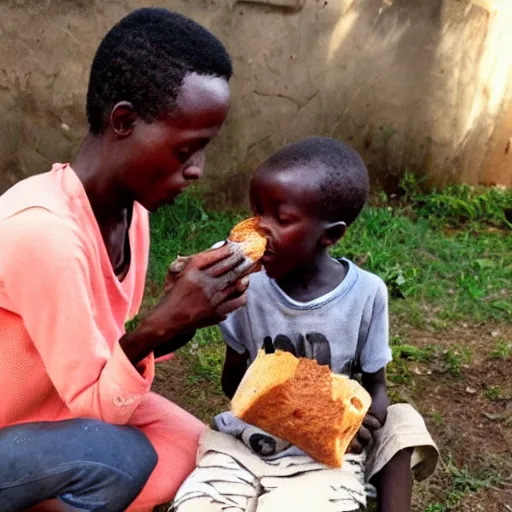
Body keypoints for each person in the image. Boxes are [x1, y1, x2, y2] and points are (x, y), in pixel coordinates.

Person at [0, 8, 250, 512]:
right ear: (124, 121)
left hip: (55, 416)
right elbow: (100, 406)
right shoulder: (43, 232)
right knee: (121, 457)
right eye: (187, 149)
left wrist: (176, 319)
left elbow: (100, 359)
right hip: (17, 429)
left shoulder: (130, 215)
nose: (197, 170)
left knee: (198, 447)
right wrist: (154, 331)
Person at [171, 137, 439, 512]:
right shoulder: (245, 288)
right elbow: (234, 384)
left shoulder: (367, 294)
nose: (258, 230)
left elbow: (377, 389)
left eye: (280, 219)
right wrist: (283, 406)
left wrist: (347, 425)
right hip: (247, 443)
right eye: (255, 211)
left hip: (320, 458)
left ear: (330, 234)